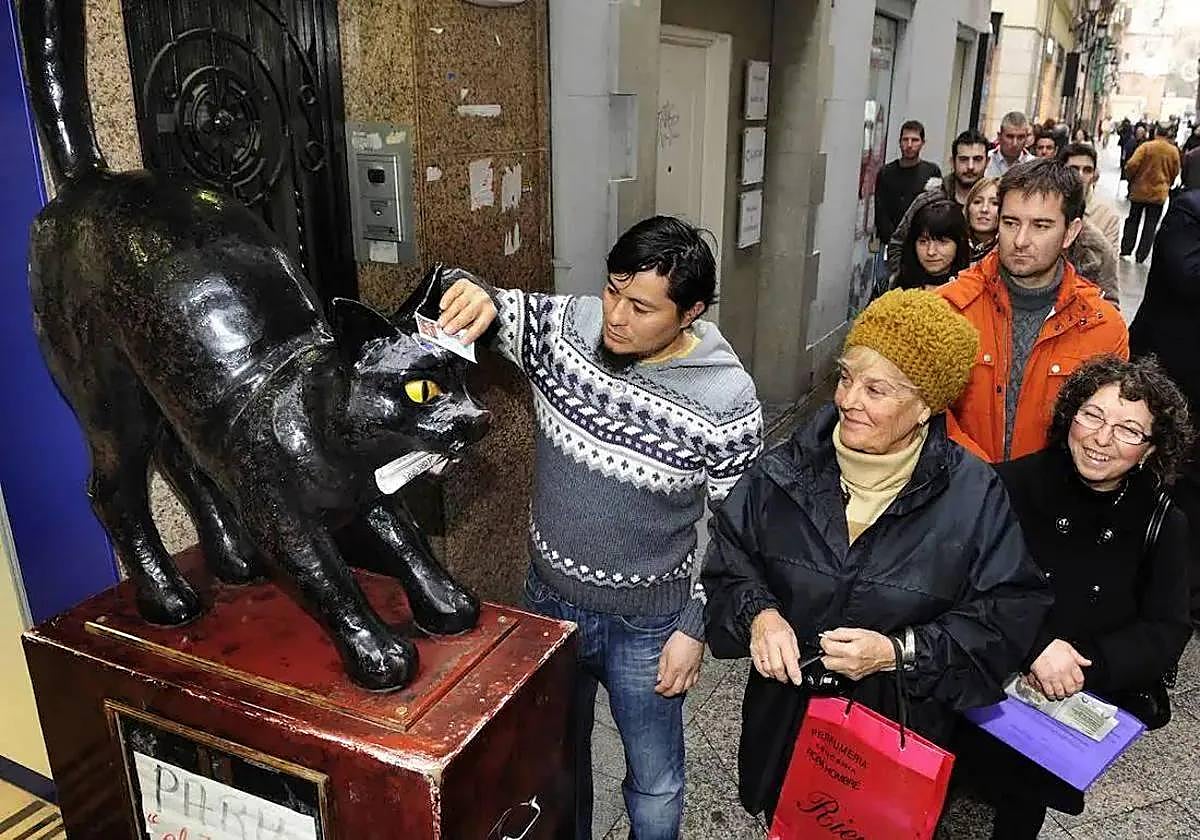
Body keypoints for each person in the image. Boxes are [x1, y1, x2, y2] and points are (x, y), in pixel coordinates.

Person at [436, 215, 764, 839]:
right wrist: (468, 288)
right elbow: (476, 298)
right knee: (557, 765)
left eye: (641, 307)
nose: (616, 315)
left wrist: (696, 626)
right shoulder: (564, 330)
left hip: (649, 628)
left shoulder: (724, 396)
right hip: (547, 609)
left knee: (654, 782)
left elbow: (741, 531)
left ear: (689, 312)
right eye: (614, 289)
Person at [701, 288, 1052, 820]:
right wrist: (759, 614)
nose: (847, 400)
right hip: (786, 725)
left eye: (876, 389)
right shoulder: (787, 469)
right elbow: (731, 557)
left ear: (926, 406)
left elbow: (1006, 618)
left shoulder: (975, 497)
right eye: (845, 378)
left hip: (896, 734)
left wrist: (898, 651)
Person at [955, 355, 1194, 839]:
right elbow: (960, 581)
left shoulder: (1161, 522)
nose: (1102, 439)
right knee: (951, 807)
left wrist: (1085, 665)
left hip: (1055, 714)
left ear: (1150, 450)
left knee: (1017, 816)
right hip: (976, 694)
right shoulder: (1006, 485)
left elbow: (1166, 628)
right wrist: (1036, 645)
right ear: (1070, 416)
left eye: (1129, 430)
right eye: (1092, 415)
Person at [938, 159, 1128, 463]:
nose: (1020, 241)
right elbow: (927, 410)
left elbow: (1105, 433)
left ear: (1070, 232)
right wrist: (981, 477)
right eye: (1011, 223)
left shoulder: (1102, 327)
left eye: (1041, 226)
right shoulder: (949, 308)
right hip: (962, 489)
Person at [1129, 189, 1200, 619]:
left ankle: (1188, 593)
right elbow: (1188, 275)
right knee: (1158, 476)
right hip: (1170, 376)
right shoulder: (1189, 209)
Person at [886, 129, 989, 276]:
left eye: (977, 159)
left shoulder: (995, 207)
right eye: (964, 159)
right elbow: (897, 244)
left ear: (988, 161)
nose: (970, 166)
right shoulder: (928, 201)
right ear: (952, 162)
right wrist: (905, 281)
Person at [874, 119, 943, 248]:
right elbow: (880, 211)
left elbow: (935, 208)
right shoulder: (886, 173)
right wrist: (892, 240)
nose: (909, 145)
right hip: (890, 243)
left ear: (923, 143)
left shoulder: (931, 171)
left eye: (915, 140)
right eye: (905, 140)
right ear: (900, 142)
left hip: (921, 242)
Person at [1122, 124, 1183, 263]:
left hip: (1140, 190)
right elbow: (1176, 170)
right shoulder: (1173, 151)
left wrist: (1131, 178)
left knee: (1133, 220)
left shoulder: (1146, 147)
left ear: (1155, 132)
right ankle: (1141, 255)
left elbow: (1132, 164)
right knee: (1150, 225)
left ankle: (1126, 249)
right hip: (1158, 194)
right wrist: (1168, 182)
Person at [894, 199, 970, 290]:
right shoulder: (890, 289)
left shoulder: (973, 290)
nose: (931, 251)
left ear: (959, 243)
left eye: (942, 242)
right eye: (923, 242)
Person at [1061, 142, 1121, 253]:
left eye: (1087, 170)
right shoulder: (1047, 205)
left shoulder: (1108, 215)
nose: (1080, 176)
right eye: (1074, 169)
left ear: (1094, 175)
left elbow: (1110, 264)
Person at [964, 176, 1001, 263]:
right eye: (977, 202)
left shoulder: (1010, 251)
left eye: (995, 203)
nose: (984, 209)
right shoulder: (953, 245)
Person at [987, 112, 1035, 176]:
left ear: (1026, 138)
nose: (1014, 143)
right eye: (1010, 136)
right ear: (999, 136)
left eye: (1020, 137)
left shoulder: (1033, 165)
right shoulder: (987, 159)